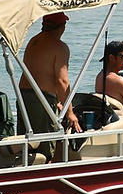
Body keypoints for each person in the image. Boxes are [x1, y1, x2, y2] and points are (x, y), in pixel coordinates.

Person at [18, 12, 80, 162]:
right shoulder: (59, 47)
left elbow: (40, 72)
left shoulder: (34, 41)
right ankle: (47, 176)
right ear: (62, 27)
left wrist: (58, 101)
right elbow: (62, 81)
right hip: (42, 100)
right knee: (47, 148)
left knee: (27, 145)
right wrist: (70, 112)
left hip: (24, 97)